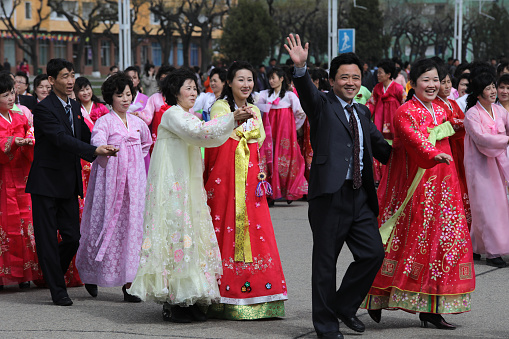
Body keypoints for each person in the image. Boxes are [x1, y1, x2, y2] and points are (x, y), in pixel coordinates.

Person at [285, 34, 392, 339]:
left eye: (356, 77)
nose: (350, 82)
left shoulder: (362, 112)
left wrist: (420, 145)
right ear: (331, 81)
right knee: (325, 264)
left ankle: (344, 306)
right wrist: (301, 69)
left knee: (373, 254)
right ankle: (326, 326)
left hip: (360, 196)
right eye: (344, 77)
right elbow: (306, 92)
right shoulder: (321, 104)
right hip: (330, 195)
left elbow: (383, 150)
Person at [362, 58, 475, 329]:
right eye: (427, 79)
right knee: (406, 244)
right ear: (414, 83)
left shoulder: (444, 109)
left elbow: (459, 131)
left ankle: (432, 309)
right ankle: (376, 297)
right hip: (416, 190)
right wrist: (431, 152)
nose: (433, 85)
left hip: (446, 190)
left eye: (436, 79)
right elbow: (414, 139)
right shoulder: (405, 111)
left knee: (444, 246)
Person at [128, 68, 234, 322]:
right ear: (175, 92)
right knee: (176, 237)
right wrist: (233, 119)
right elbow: (204, 134)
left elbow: (205, 133)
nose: (194, 92)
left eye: (195, 88)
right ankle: (174, 302)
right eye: (188, 87)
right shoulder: (172, 115)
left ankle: (193, 297)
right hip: (172, 190)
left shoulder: (189, 116)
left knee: (191, 238)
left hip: (187, 188)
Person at [25, 58, 118, 306]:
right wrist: (93, 151)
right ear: (52, 80)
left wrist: (110, 132)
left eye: (72, 75)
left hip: (68, 183)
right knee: (46, 238)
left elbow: (85, 134)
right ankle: (58, 289)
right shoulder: (43, 109)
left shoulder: (74, 105)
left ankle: (51, 270)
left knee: (72, 238)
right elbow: (60, 139)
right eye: (64, 76)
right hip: (45, 184)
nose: (70, 81)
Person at [203, 61, 288, 320]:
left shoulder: (254, 109)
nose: (246, 84)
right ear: (230, 82)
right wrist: (234, 124)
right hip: (226, 178)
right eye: (240, 79)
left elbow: (259, 139)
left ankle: (258, 294)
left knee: (255, 229)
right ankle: (222, 296)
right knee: (226, 226)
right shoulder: (221, 106)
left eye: (249, 80)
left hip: (250, 177)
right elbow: (216, 137)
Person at [76, 72, 152, 300]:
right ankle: (90, 274)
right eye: (120, 95)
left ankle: (130, 284)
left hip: (135, 185)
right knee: (102, 226)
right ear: (111, 98)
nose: (126, 99)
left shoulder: (138, 123)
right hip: (109, 184)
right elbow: (97, 142)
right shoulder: (104, 121)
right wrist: (105, 150)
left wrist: (134, 161)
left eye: (129, 94)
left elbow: (147, 143)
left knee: (133, 229)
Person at [0, 72, 42, 291]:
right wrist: (13, 141)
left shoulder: (20, 117)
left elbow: (31, 136)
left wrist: (29, 140)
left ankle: (25, 272)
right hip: (3, 178)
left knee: (26, 223)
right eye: (5, 94)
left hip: (22, 176)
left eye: (12, 93)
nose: (10, 98)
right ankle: (4, 274)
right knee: (6, 225)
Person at [464, 72, 509, 268]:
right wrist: (506, 140)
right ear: (478, 93)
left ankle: (474, 246)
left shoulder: (499, 111)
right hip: (479, 166)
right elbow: (482, 139)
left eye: (493, 87)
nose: (493, 91)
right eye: (488, 88)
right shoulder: (472, 114)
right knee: (486, 207)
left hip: (497, 163)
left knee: (496, 206)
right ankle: (491, 252)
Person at [256, 66, 308, 204]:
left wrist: (293, 128)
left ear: (281, 79)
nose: (271, 81)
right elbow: (256, 106)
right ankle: (269, 192)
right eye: (270, 78)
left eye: (274, 78)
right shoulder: (265, 95)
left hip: (285, 133)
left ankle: (288, 191)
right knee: (269, 158)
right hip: (269, 132)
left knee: (286, 159)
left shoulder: (290, 96)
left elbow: (300, 113)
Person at [434, 68, 471, 229]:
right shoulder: (435, 104)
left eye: (449, 82)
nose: (447, 86)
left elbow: (461, 120)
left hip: (459, 147)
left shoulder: (453, 102)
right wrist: (463, 123)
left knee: (462, 180)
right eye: (443, 83)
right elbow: (449, 123)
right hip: (447, 147)